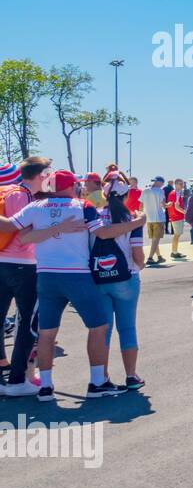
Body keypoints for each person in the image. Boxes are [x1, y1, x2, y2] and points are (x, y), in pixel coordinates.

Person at [0, 169, 119, 400]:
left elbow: (20, 234)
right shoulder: (82, 206)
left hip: (46, 275)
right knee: (98, 326)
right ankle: (97, 382)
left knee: (46, 332)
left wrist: (51, 230)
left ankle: (45, 386)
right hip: (77, 275)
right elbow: (102, 233)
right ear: (69, 186)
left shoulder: (36, 207)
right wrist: (135, 222)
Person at [0, 158, 48, 397]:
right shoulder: (22, 196)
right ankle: (17, 380)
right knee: (27, 323)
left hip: (2, 263)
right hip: (22, 264)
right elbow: (24, 233)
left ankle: (3, 377)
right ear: (39, 174)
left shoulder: (5, 192)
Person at [97, 172, 149, 387]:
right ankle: (131, 375)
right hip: (127, 277)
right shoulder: (133, 219)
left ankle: (101, 376)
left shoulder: (95, 216)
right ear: (127, 195)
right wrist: (141, 265)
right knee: (127, 328)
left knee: (103, 330)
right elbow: (137, 254)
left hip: (99, 277)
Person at [140, 175, 168, 264]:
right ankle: (150, 258)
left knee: (154, 240)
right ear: (160, 183)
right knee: (156, 240)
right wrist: (169, 204)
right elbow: (163, 204)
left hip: (148, 218)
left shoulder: (145, 191)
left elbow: (141, 205)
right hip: (158, 217)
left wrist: (140, 215)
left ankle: (159, 257)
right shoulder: (160, 191)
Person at [165, 177, 188, 260]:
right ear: (176, 184)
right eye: (181, 184)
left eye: (183, 184)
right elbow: (176, 207)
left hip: (177, 217)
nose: (182, 185)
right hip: (176, 217)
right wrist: (186, 213)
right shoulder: (174, 193)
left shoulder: (177, 193)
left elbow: (173, 205)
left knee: (177, 235)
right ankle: (174, 252)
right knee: (176, 235)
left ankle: (175, 251)